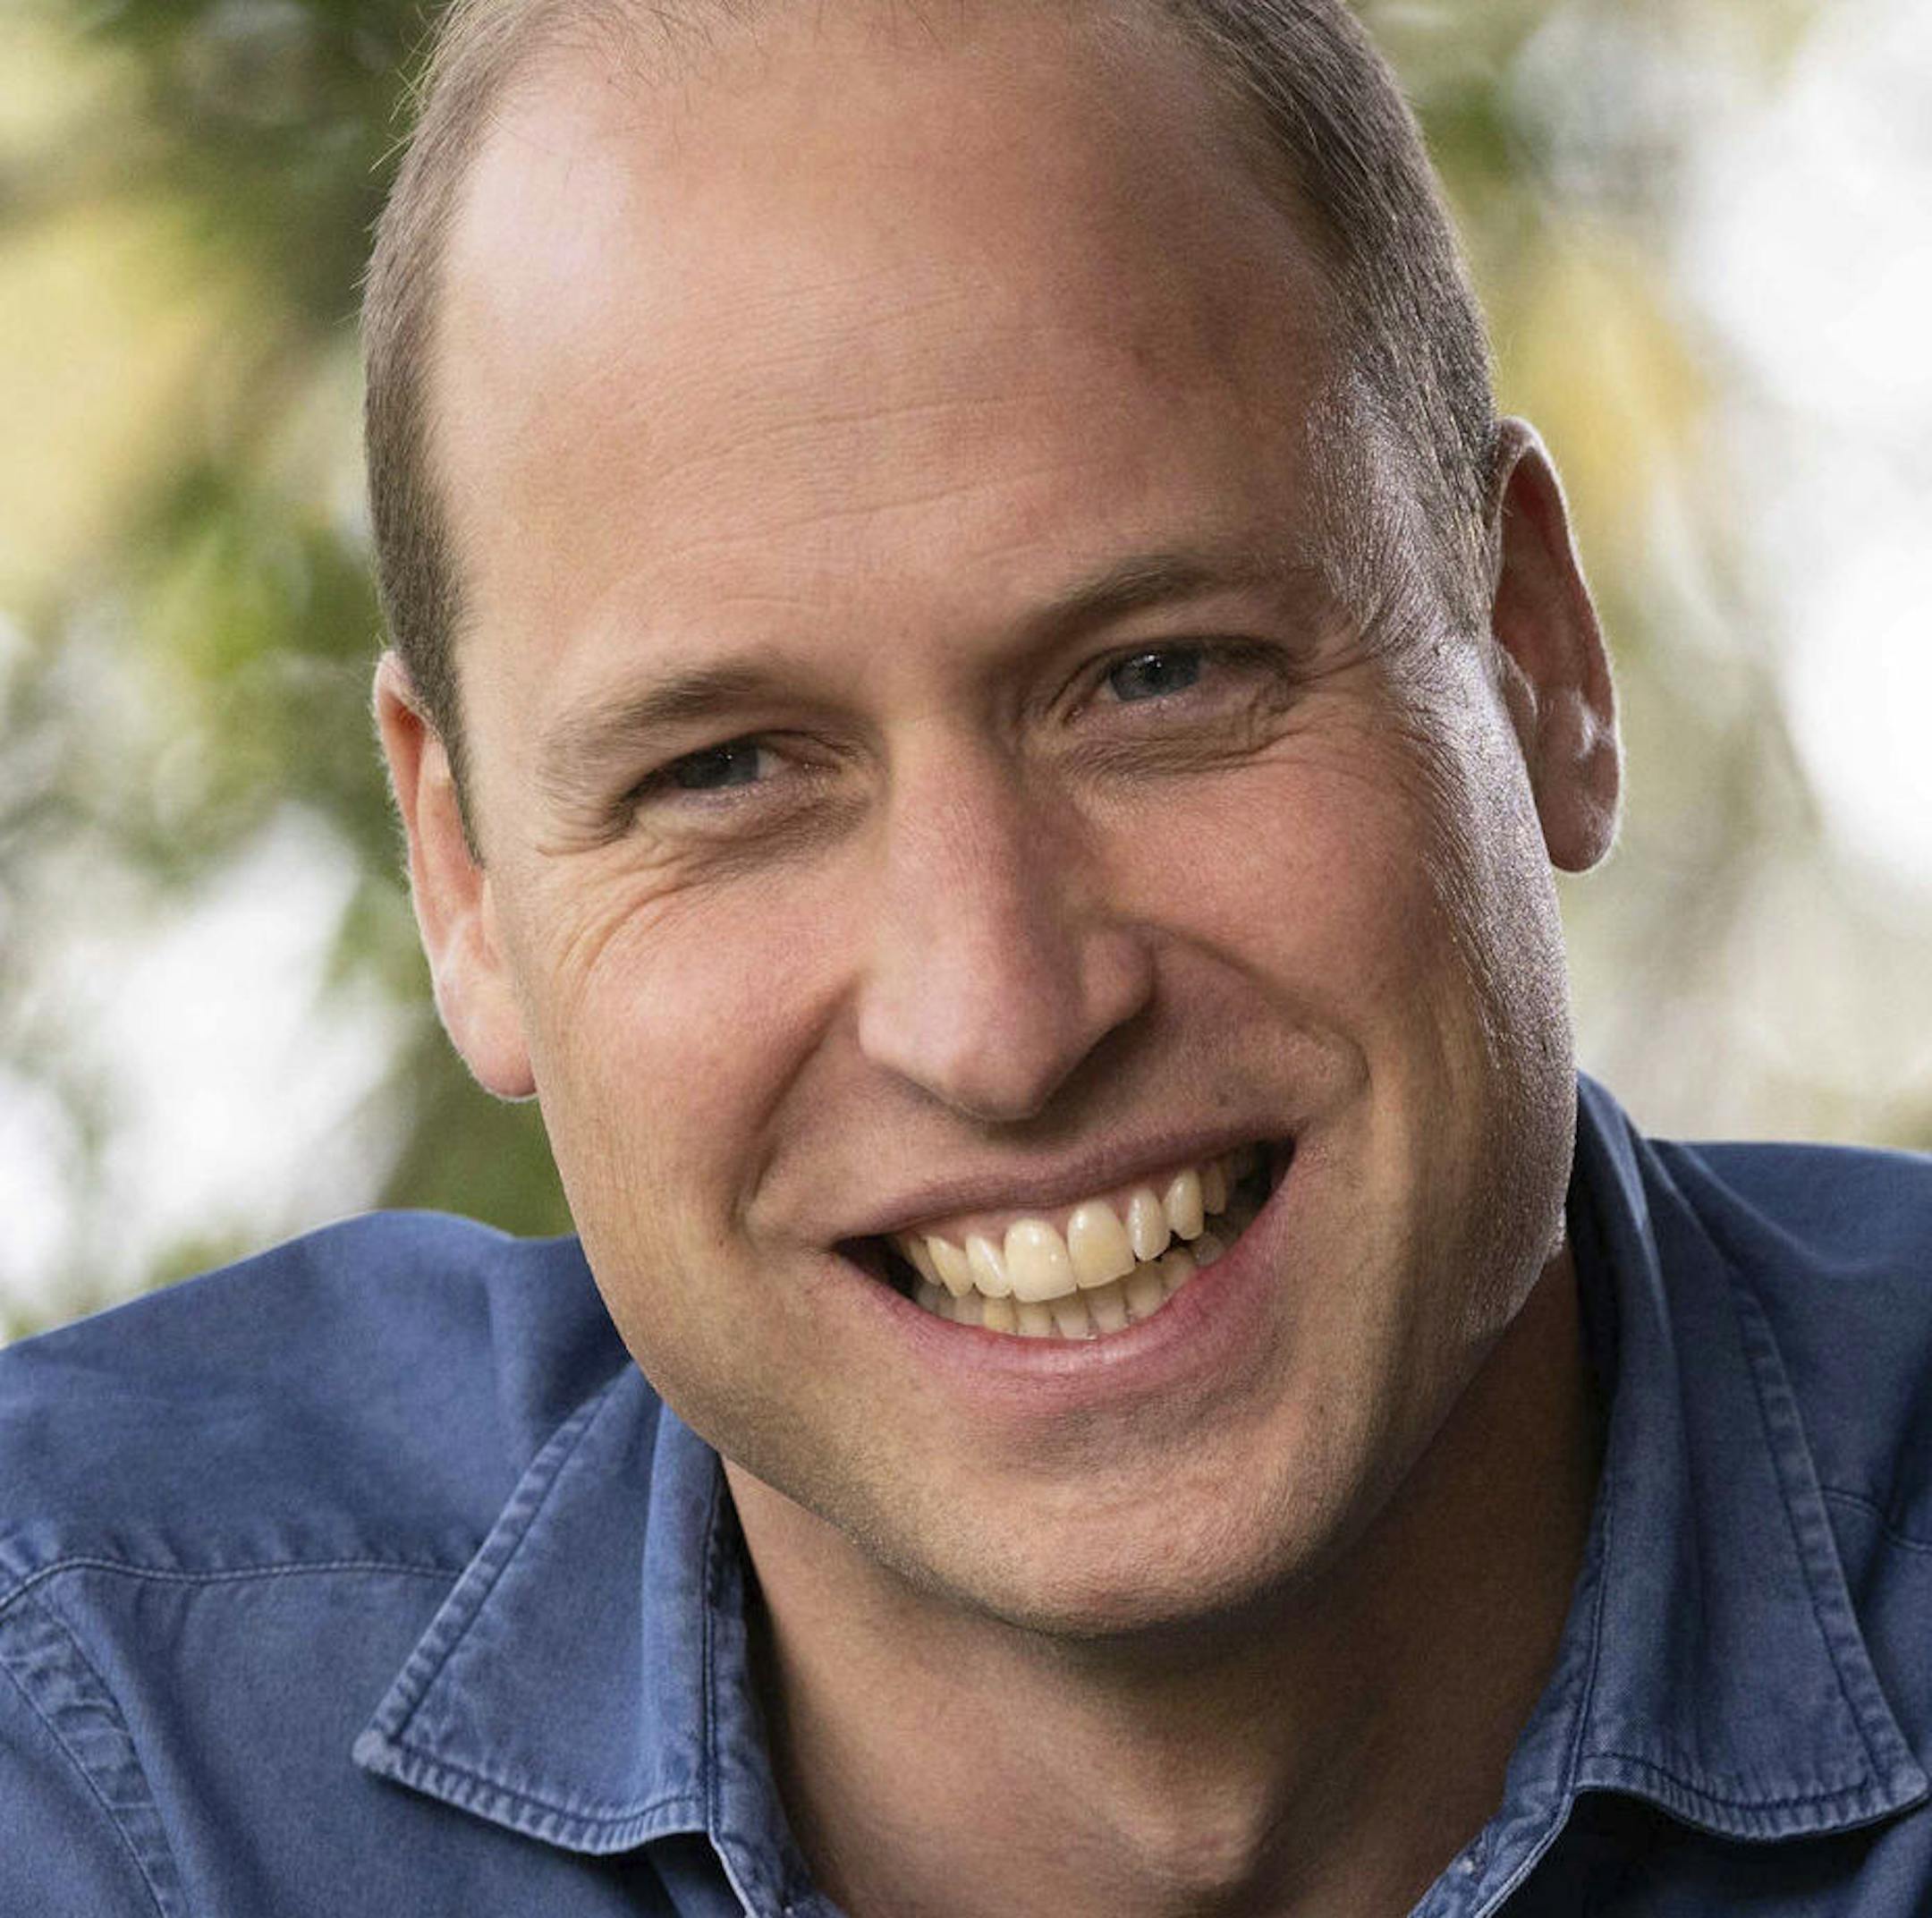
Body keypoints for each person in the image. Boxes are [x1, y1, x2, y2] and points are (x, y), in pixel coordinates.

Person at [3, 0, 1930, 1911]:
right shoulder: (94, 1760)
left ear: (1537, 660)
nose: (998, 1021)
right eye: (726, 771)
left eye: (1159, 676)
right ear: (466, 883)